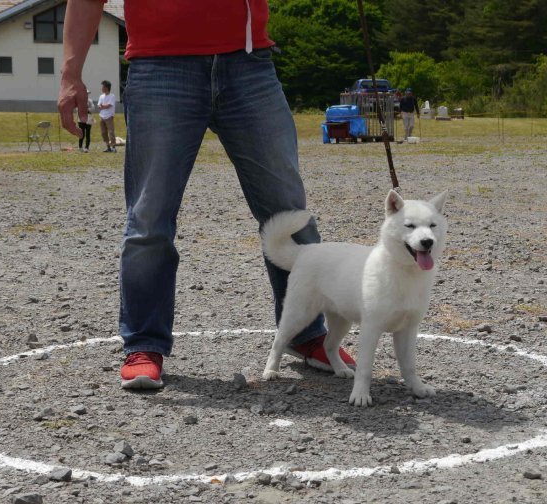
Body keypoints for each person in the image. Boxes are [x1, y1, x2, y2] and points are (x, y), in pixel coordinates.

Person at [58, 0, 355, 389]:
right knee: (149, 218)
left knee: (288, 210)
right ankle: (144, 344)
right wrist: (70, 73)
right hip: (160, 66)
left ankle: (306, 332)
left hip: (249, 65)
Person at [97, 79, 116, 152]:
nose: (102, 88)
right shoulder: (101, 96)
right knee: (103, 133)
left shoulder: (112, 96)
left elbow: (109, 105)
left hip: (109, 117)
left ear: (107, 88)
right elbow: (99, 105)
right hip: (102, 116)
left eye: (103, 87)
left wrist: (103, 106)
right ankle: (108, 147)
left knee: (111, 132)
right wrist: (102, 106)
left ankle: (113, 147)